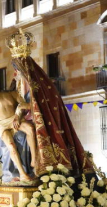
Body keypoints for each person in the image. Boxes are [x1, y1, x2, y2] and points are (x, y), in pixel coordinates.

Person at [6, 29, 93, 176]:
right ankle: (16, 172)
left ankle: (32, 166)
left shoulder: (37, 84)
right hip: (29, 120)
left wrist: (19, 110)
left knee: (22, 135)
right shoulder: (23, 84)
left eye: (17, 70)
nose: (16, 74)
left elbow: (35, 105)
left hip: (42, 124)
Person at [0, 88, 36, 182]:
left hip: (14, 120)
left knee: (30, 129)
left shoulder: (13, 94)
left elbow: (26, 106)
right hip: (2, 125)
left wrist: (17, 115)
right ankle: (22, 173)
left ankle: (34, 159)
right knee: (11, 145)